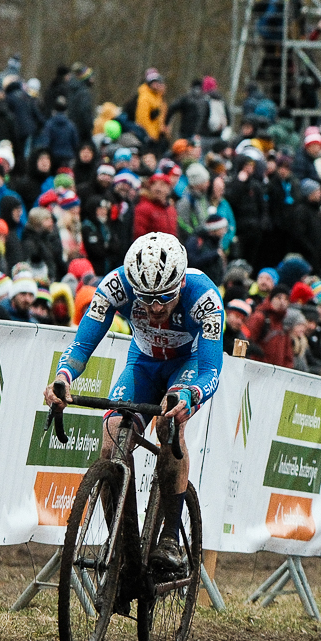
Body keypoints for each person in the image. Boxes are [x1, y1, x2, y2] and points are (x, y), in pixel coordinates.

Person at [41, 233, 225, 571]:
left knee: (169, 424)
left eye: (165, 298)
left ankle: (170, 537)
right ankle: (121, 542)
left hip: (187, 366)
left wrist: (192, 395)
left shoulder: (205, 298)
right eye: (146, 299)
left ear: (181, 284)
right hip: (142, 364)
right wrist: (63, 377)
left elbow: (211, 370)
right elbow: (81, 347)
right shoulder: (115, 286)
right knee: (112, 436)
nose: (155, 308)